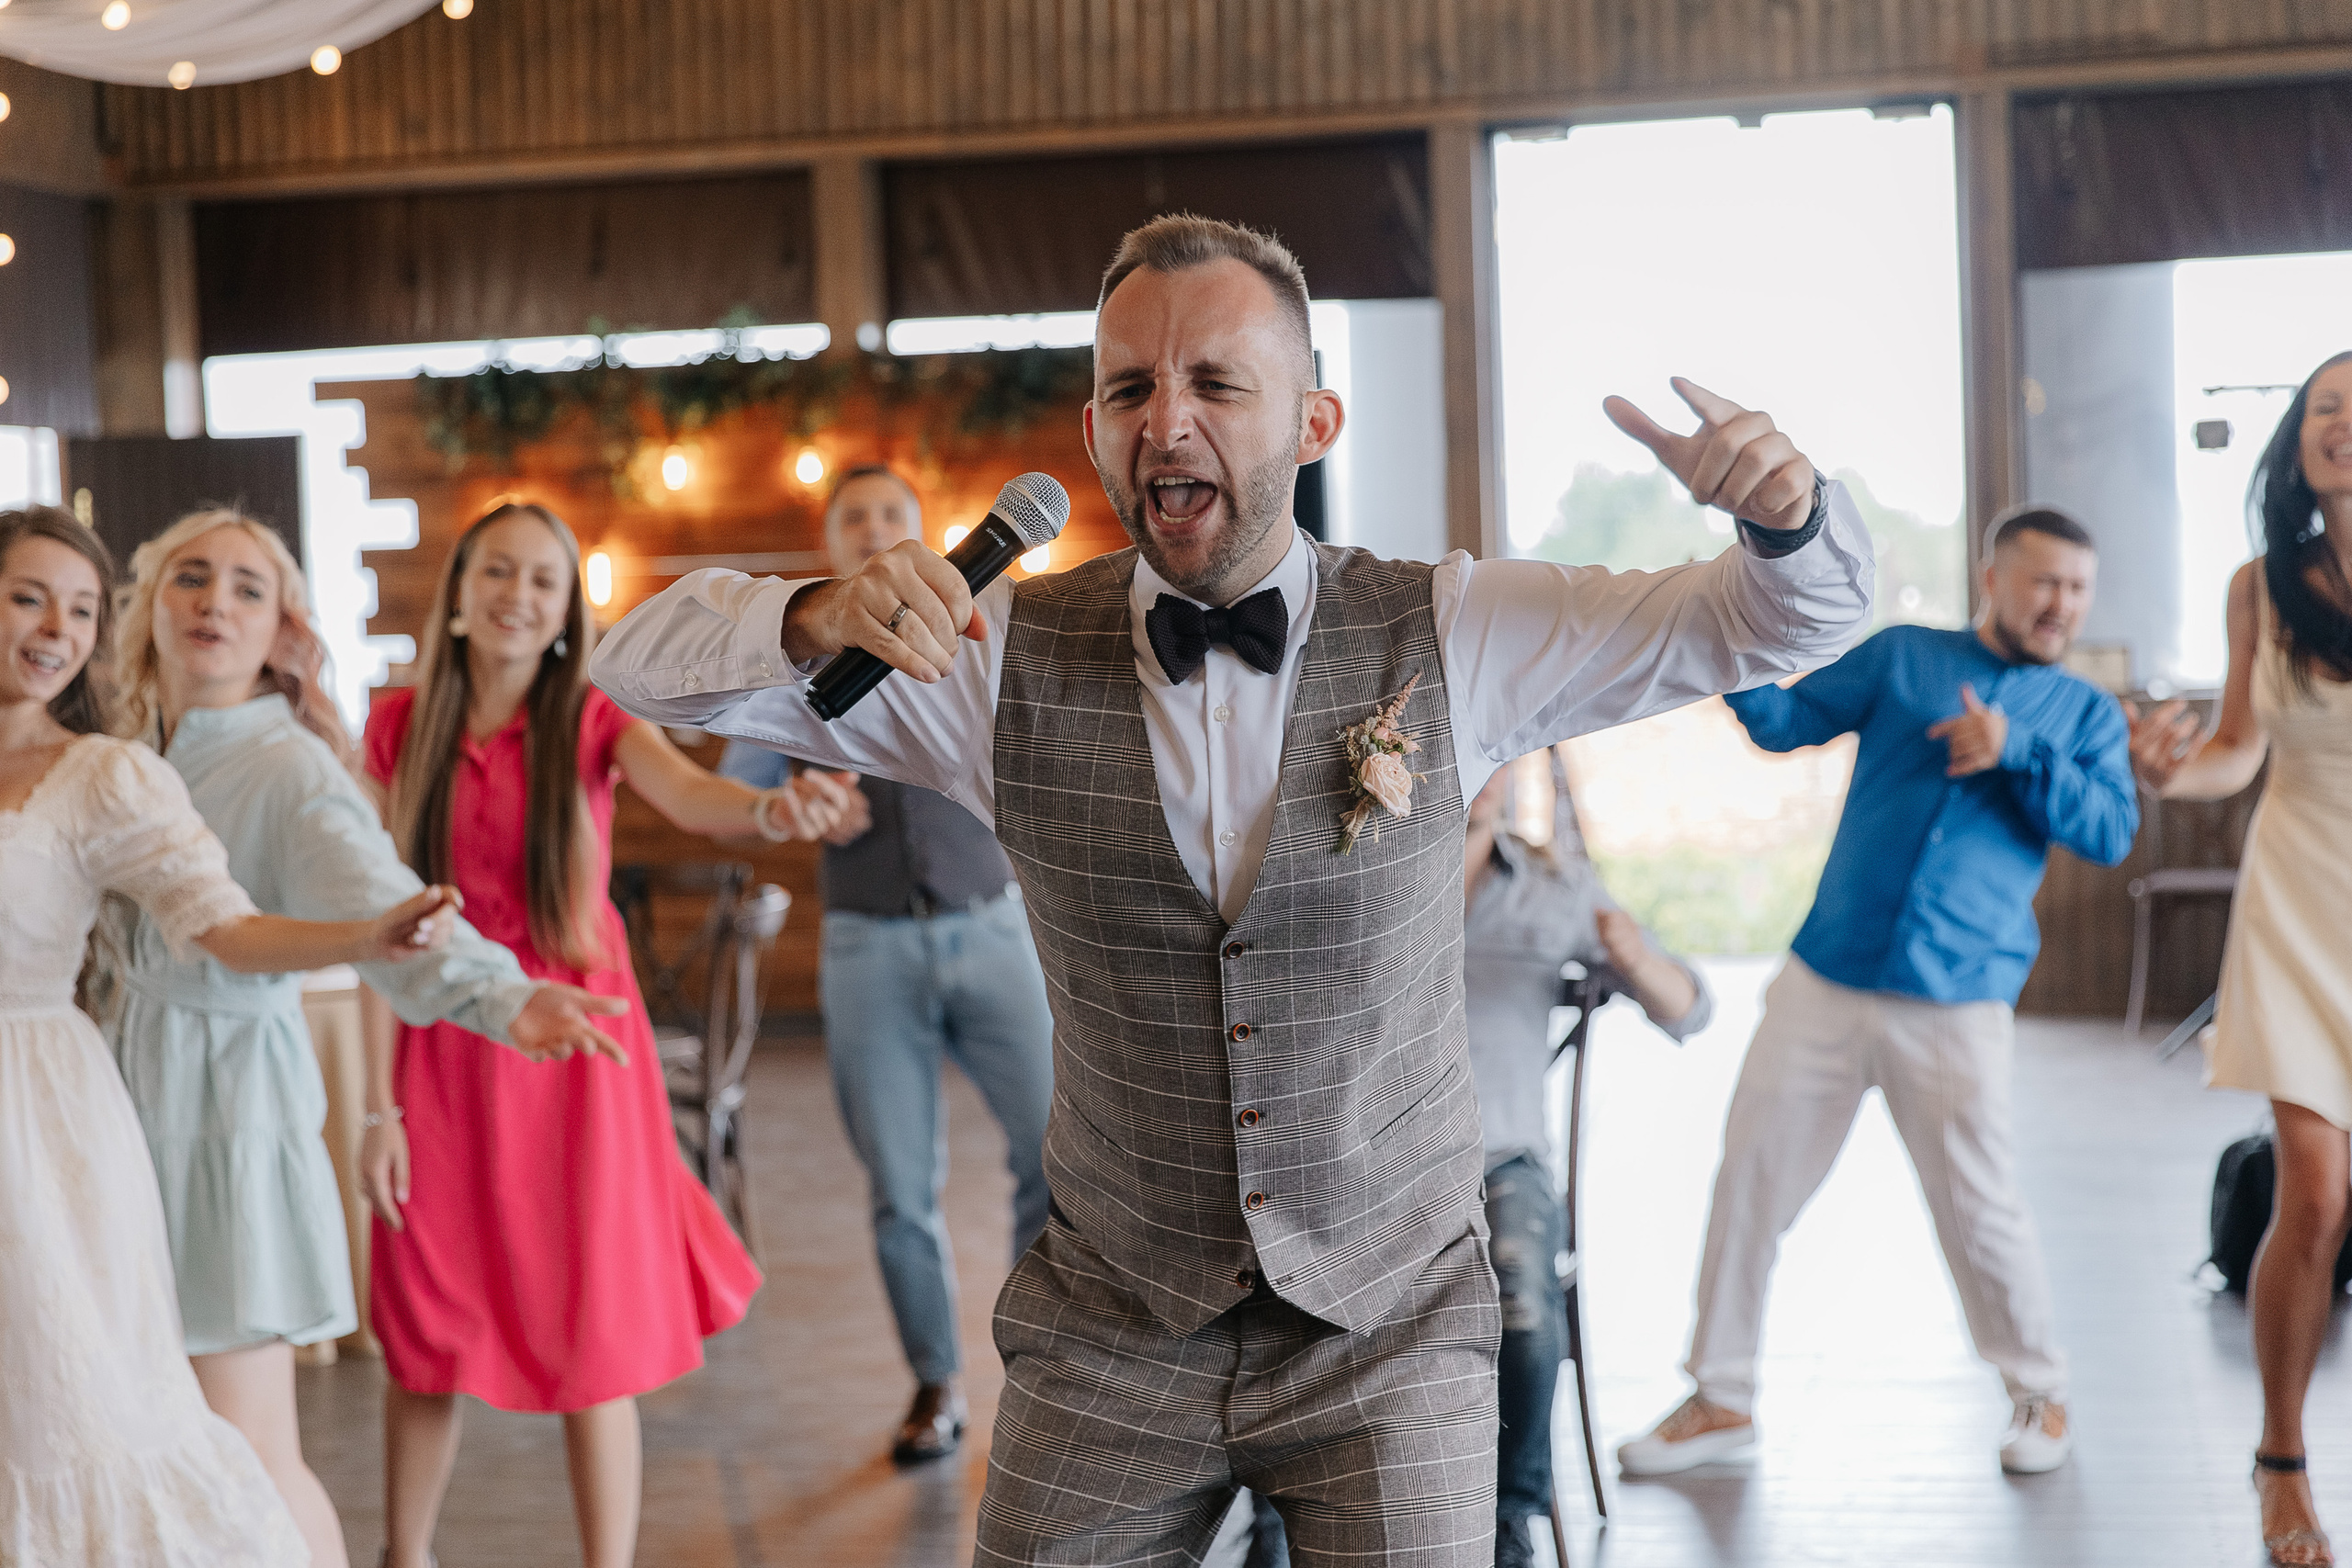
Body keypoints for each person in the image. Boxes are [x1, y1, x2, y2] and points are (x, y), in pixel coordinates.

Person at [592, 213, 1873, 1562]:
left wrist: (1787, 514)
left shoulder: (1454, 627)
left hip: (1390, 1322)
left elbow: (1780, 621)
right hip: (1115, 1322)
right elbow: (630, 658)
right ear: (1093, 431)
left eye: (1215, 383)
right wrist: (812, 615)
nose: (1168, 421)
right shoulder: (992, 657)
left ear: (1313, 419)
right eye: (1131, 389)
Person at [102, 507, 635, 1568]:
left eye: (248, 588)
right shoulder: (120, 754)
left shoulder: (290, 771)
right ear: (148, 607)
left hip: (227, 1117)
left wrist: (497, 993)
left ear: (283, 632)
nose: (216, 602)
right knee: (153, 1433)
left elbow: (387, 902)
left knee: (248, 1445)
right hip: (116, 1106)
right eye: (192, 578)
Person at [357, 500, 834, 1568]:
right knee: (425, 1316)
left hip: (577, 1050)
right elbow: (358, 884)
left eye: (541, 578)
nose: (517, 594)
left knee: (591, 1318)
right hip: (440, 1041)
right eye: (497, 573)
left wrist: (768, 814)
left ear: (567, 607)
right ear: (461, 595)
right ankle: (403, 1553)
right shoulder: (397, 726)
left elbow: (693, 796)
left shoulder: (594, 718)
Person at [1617, 503, 2136, 1483]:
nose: (2057, 603)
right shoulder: (1903, 658)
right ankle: (1721, 1395)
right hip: (1825, 978)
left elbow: (2109, 833)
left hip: (1958, 1001)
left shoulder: (2082, 716)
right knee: (1750, 1182)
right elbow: (1783, 723)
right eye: (2041, 582)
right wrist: (1725, 636)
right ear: (1993, 579)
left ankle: (2040, 1392)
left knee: (1978, 1209)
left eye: (2074, 587)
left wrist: (2015, 749)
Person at [0, 505, 462, 1565]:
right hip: (132, 1089)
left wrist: (372, 935)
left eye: (76, 607)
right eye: (29, 596)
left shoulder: (116, 771)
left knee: (195, 1436)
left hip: (152, 1116)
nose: (54, 628)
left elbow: (226, 928)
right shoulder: (152, 744)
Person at [715, 464, 1055, 1466]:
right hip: (867, 947)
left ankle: (1044, 1374)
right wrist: (799, 804)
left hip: (996, 931)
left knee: (1055, 1159)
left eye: (890, 515)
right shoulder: (792, 661)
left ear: (923, 532)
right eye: (852, 517)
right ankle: (934, 1383)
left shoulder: (983, 631)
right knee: (900, 1187)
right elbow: (742, 775)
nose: (871, 528)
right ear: (830, 546)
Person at [2127, 352, 2352, 1568]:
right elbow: (2231, 751)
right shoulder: (2260, 588)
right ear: (2296, 443)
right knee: (2311, 1196)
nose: (2343, 427)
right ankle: (2281, 1456)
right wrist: (2172, 772)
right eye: (2325, 410)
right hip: (2306, 900)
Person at [1462, 753, 1713, 1567]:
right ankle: (1277, 1537)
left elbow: (1692, 1008)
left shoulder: (1553, 887)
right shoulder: (1354, 870)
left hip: (1502, 1161)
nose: (1478, 773)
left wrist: (1633, 958)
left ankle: (1509, 1526)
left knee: (1525, 1308)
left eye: (1489, 755)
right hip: (1370, 1161)